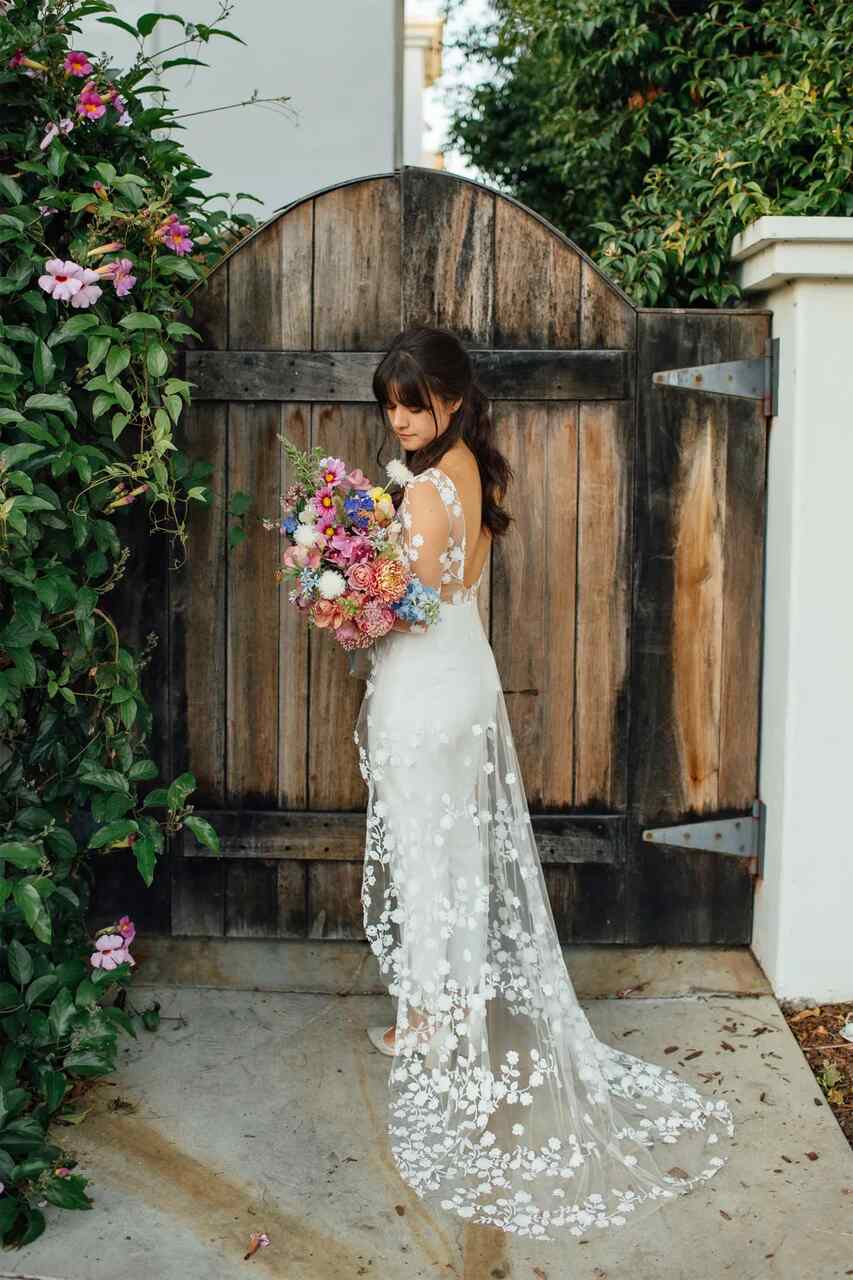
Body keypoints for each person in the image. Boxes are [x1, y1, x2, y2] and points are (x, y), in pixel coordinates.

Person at [352, 325, 734, 1242]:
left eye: (413, 403)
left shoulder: (424, 497)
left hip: (425, 690)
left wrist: (340, 591)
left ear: (448, 396)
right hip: (462, 678)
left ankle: (431, 1023)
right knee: (448, 849)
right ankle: (438, 1009)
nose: (400, 420)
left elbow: (392, 610)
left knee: (426, 850)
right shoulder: (473, 469)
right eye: (391, 405)